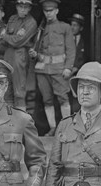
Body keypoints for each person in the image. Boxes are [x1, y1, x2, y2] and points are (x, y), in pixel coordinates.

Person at [29, 0, 75, 136]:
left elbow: (71, 50)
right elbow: (35, 50)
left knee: (63, 98)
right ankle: (53, 128)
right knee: (47, 100)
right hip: (42, 69)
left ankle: (66, 128)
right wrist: (34, 54)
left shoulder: (65, 27)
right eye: (46, 11)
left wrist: (68, 68)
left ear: (56, 11)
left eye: (51, 11)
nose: (48, 13)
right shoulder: (40, 29)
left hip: (59, 69)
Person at [1, 0, 38, 111]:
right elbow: (8, 42)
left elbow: (17, 42)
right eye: (20, 6)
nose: (22, 9)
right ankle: (9, 119)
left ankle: (21, 122)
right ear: (16, 6)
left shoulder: (31, 22)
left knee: (19, 91)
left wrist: (6, 36)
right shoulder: (12, 19)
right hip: (8, 55)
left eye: (25, 7)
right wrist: (11, 38)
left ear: (30, 8)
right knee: (6, 89)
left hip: (20, 56)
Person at [69, 13, 87, 113]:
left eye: (75, 25)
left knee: (78, 99)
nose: (72, 27)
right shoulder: (65, 40)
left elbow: (86, 58)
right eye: (71, 25)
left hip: (79, 74)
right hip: (66, 74)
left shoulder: (85, 42)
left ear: (81, 28)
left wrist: (77, 68)